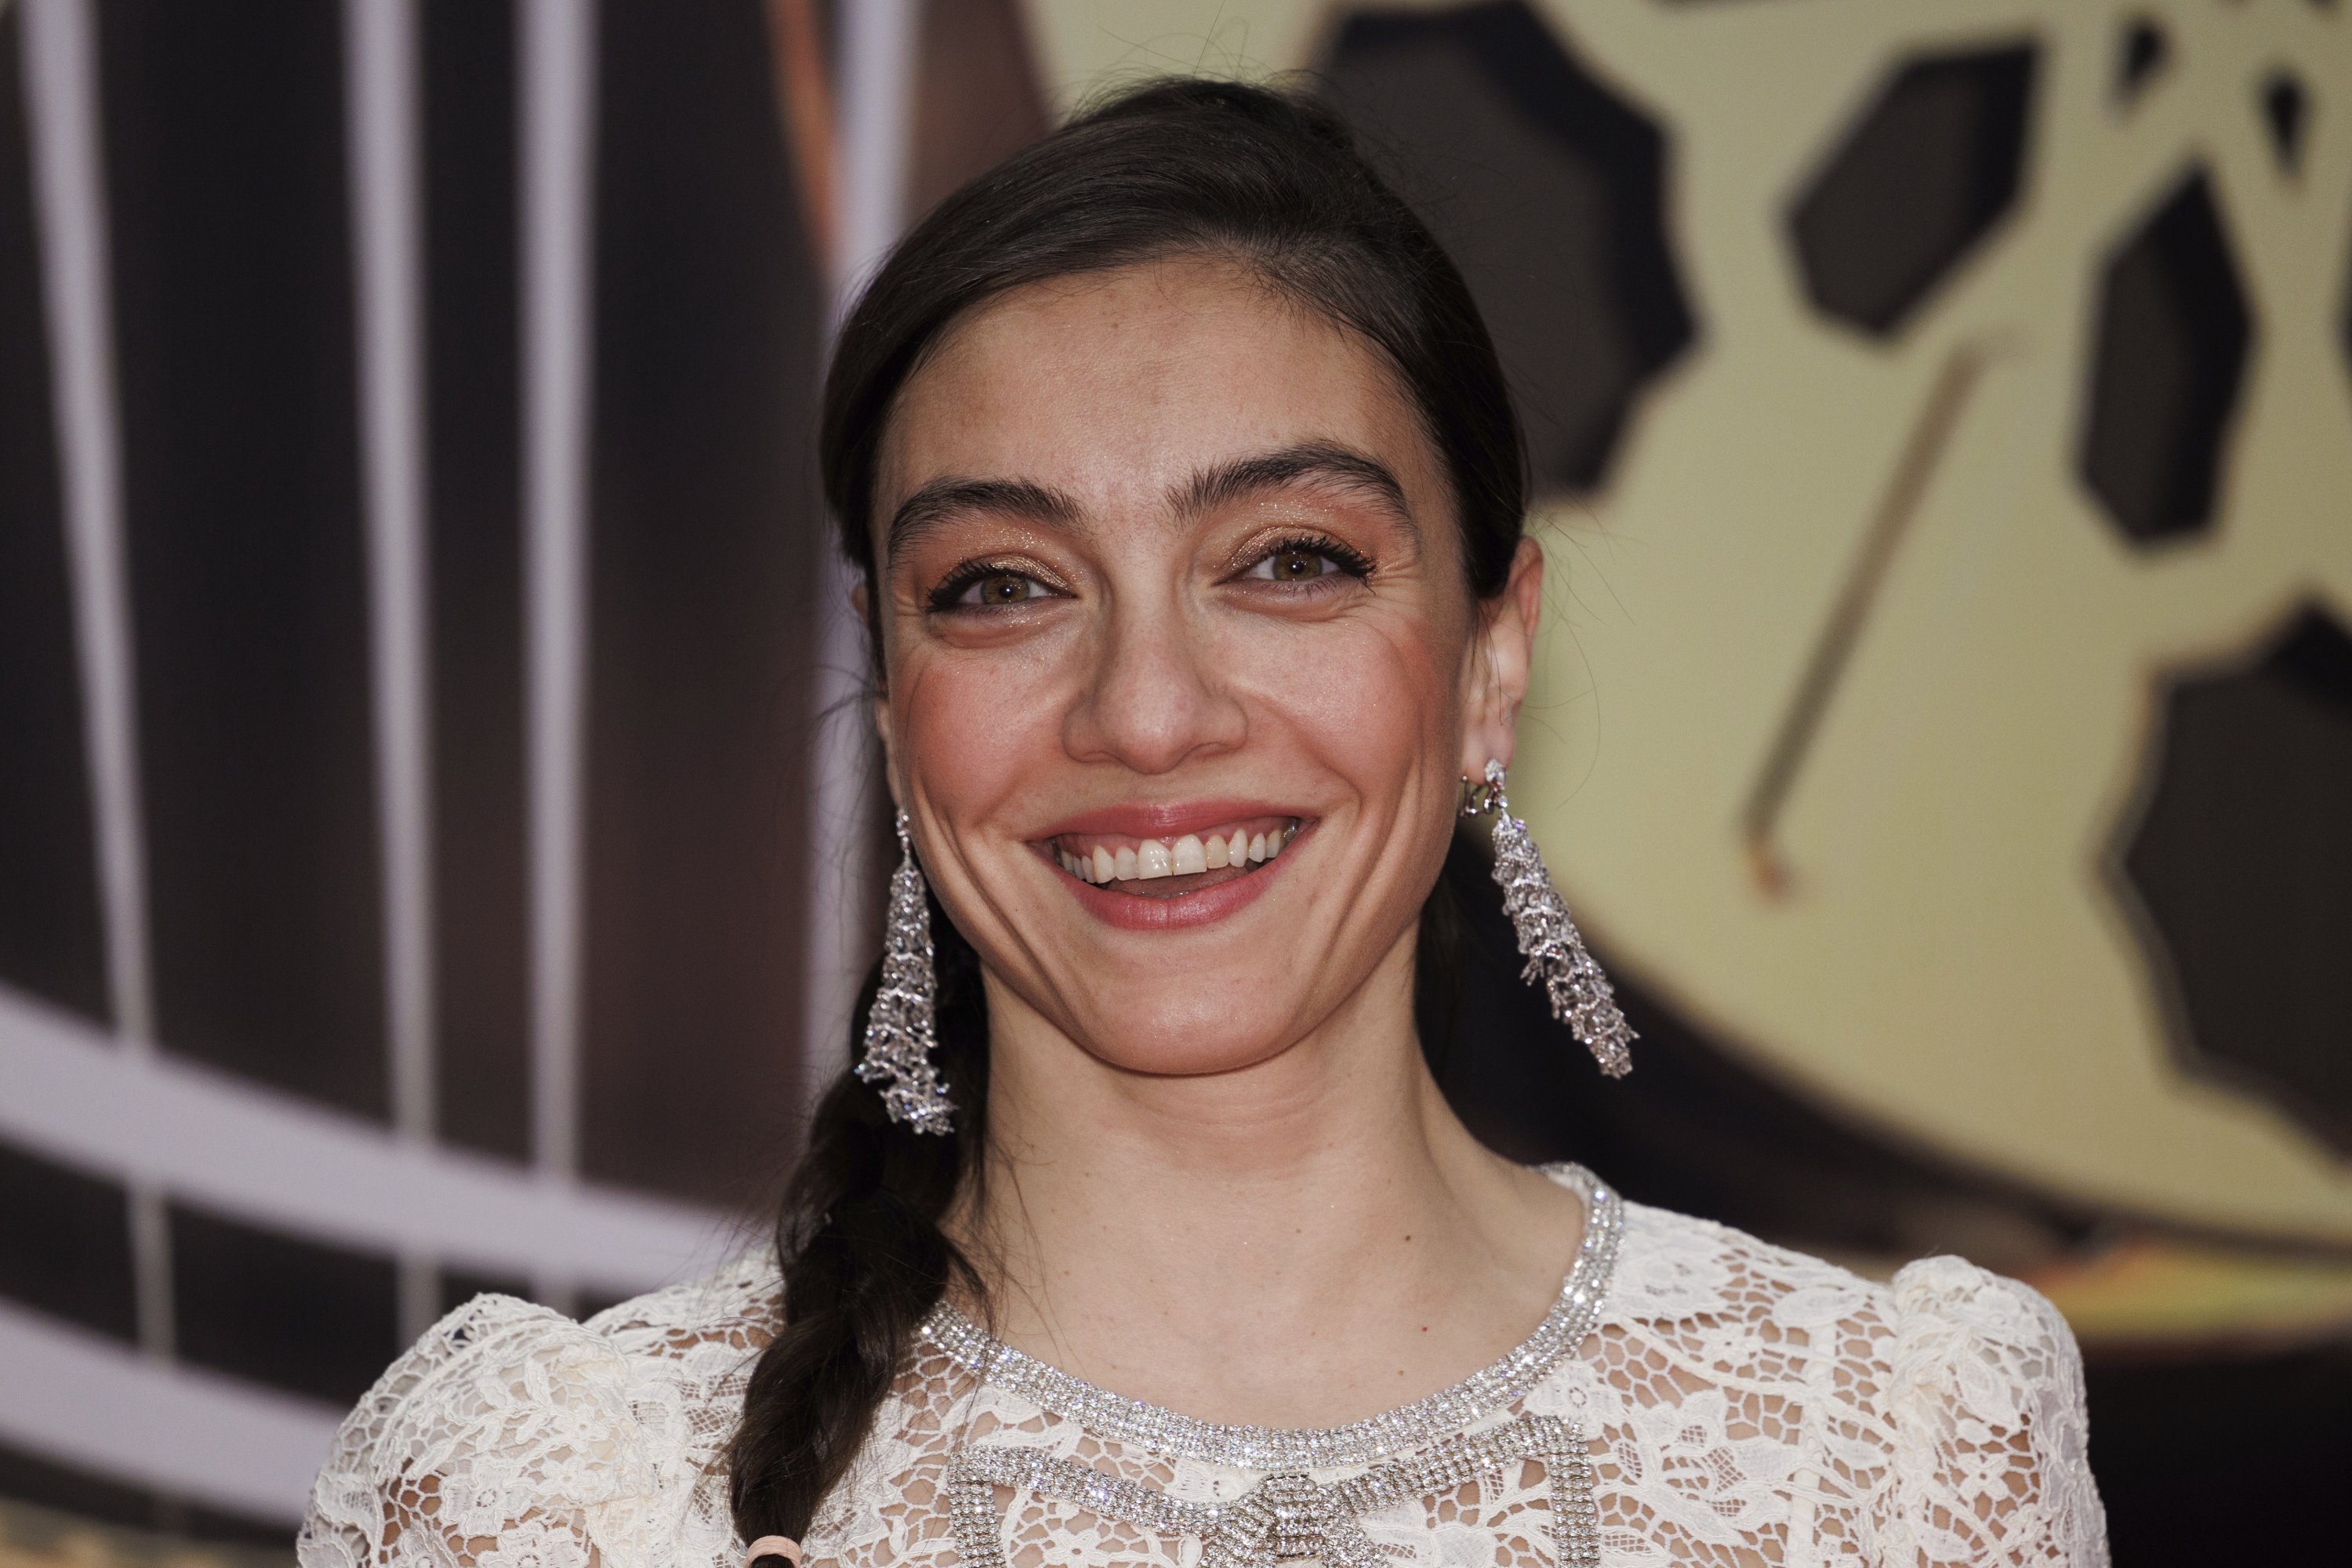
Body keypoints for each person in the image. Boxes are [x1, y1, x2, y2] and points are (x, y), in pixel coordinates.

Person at [299, 79, 2107, 1568]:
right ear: (893, 691)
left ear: (1491, 658)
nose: (1147, 712)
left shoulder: (1887, 1459)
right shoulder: (558, 1499)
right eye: (1004, 584)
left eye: (1289, 563)